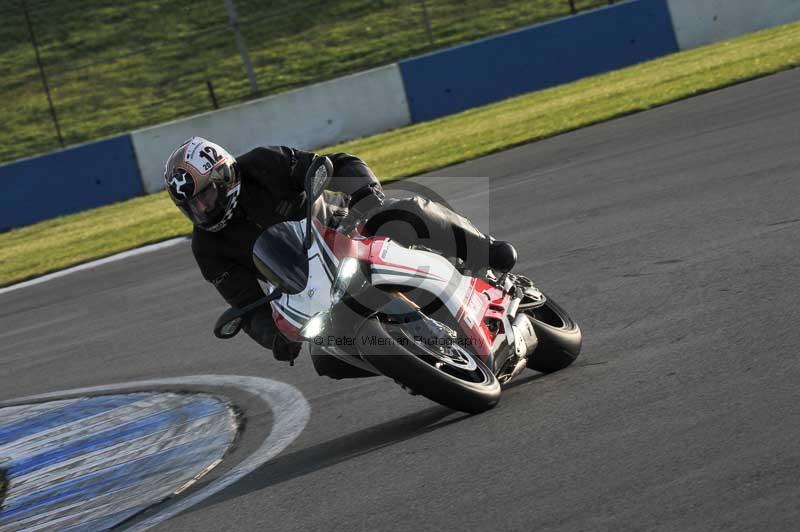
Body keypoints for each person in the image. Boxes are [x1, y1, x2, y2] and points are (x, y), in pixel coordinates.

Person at [164, 136, 517, 376]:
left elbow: (329, 165)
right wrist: (273, 337)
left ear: (224, 177)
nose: (201, 209)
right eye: (191, 205)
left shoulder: (262, 164)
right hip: (306, 285)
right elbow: (246, 301)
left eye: (205, 196)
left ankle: (484, 249)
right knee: (327, 360)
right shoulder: (207, 247)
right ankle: (414, 372)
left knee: (403, 211)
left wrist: (365, 195)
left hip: (345, 228)